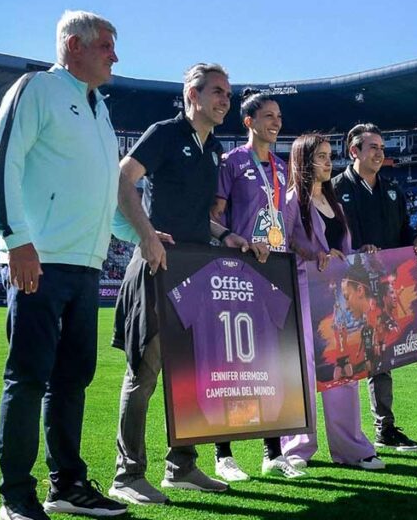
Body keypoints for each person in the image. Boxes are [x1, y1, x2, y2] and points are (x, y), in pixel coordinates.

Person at [0, 10, 127, 520]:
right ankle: (16, 496)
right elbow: (2, 162)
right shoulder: (37, 88)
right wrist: (17, 238)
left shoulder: (100, 109)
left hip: (86, 266)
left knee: (73, 378)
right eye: (106, 45)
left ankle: (67, 485)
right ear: (74, 45)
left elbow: (105, 193)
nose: (115, 55)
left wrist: (141, 235)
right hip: (37, 261)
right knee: (27, 376)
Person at [110, 63, 256, 506]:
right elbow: (122, 179)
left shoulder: (213, 150)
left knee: (192, 374)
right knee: (145, 372)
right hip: (157, 266)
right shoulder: (165, 132)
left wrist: (225, 234)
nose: (224, 100)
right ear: (192, 95)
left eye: (228, 94)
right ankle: (127, 475)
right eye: (217, 92)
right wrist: (147, 236)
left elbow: (199, 217)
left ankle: (183, 466)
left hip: (197, 269)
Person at [208, 89, 305, 481]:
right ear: (248, 122)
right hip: (235, 273)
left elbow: (283, 220)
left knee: (271, 364)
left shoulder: (283, 168)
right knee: (230, 364)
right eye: (268, 116)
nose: (276, 122)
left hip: (273, 273)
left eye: (279, 116)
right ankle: (223, 454)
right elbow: (215, 216)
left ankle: (271, 451)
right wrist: (238, 240)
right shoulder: (231, 163)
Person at [279, 132, 386, 471]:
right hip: (305, 295)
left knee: (344, 373)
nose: (328, 163)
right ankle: (296, 451)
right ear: (303, 161)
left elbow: (344, 249)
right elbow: (283, 243)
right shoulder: (292, 200)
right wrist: (314, 254)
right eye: (321, 156)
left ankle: (352, 449)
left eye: (329, 156)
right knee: (306, 374)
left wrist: (360, 253)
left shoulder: (335, 203)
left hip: (338, 296)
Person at [332, 123, 417, 452]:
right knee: (344, 362)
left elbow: (403, 230)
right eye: (373, 147)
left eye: (382, 147)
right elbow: (329, 239)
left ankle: (384, 428)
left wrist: (416, 237)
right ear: (354, 151)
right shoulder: (334, 189)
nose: (380, 153)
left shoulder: (392, 191)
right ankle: (344, 437)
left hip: (384, 287)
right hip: (346, 288)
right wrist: (356, 250)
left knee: (381, 360)